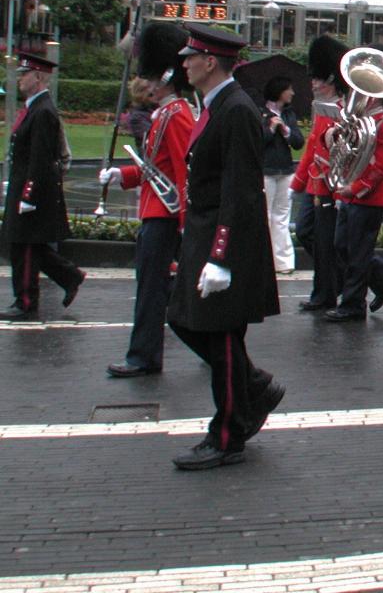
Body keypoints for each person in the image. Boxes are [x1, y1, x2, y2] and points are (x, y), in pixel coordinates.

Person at [167, 23, 283, 470]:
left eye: (190, 57)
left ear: (209, 62)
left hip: (223, 241)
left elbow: (240, 191)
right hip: (205, 234)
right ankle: (253, 387)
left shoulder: (234, 109)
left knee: (221, 337)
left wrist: (221, 256)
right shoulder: (217, 105)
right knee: (185, 320)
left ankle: (229, 433)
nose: (184, 63)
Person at [98, 22, 194, 376]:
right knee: (154, 289)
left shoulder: (177, 115)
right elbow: (155, 168)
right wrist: (122, 175)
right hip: (156, 212)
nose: (147, 84)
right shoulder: (165, 114)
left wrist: (185, 222)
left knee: (152, 291)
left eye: (153, 77)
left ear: (166, 73)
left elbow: (184, 173)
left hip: (165, 217)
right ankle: (146, 354)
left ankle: (142, 356)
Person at [0, 51, 85, 321]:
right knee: (28, 245)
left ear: (38, 77)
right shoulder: (36, 108)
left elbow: (40, 156)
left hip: (32, 191)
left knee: (23, 246)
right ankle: (69, 275)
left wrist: (28, 194)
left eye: (24, 74)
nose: (20, 79)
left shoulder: (43, 111)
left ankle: (25, 300)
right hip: (24, 185)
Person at [324, 48, 383, 323]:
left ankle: (353, 304)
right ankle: (382, 279)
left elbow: (382, 167)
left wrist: (354, 188)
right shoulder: (359, 121)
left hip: (368, 197)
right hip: (349, 194)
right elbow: (342, 151)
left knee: (357, 253)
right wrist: (333, 135)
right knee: (343, 247)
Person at [290, 35, 348, 312]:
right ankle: (374, 277)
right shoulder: (321, 108)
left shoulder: (343, 110)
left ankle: (325, 293)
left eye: (319, 78)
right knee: (306, 233)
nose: (313, 83)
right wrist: (298, 182)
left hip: (330, 184)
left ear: (332, 79)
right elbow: (313, 145)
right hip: (315, 183)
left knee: (325, 243)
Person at [261, 75, 304, 275]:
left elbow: (298, 141)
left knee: (281, 216)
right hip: (267, 170)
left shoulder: (288, 114)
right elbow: (258, 140)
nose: (292, 93)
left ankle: (284, 262)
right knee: (266, 215)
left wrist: (285, 130)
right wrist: (270, 128)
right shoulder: (260, 113)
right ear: (280, 91)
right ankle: (265, 260)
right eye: (289, 89)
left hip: (285, 170)